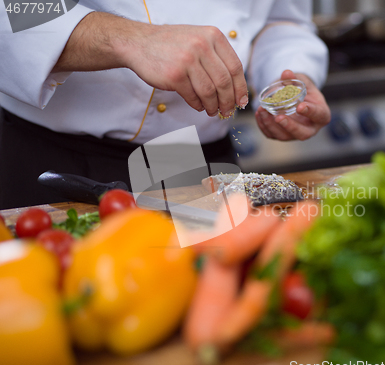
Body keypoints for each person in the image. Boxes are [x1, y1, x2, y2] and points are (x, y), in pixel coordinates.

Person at [0, 1, 330, 209]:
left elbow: (283, 20)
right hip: (49, 159)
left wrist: (288, 74)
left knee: (194, 303)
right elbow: (10, 9)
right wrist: (125, 37)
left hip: (191, 167)